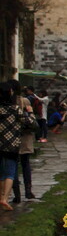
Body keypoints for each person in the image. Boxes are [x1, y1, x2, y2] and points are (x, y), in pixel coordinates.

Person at [0, 81, 21, 211]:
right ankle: (5, 198)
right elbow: (30, 123)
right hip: (11, 145)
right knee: (10, 174)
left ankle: (1, 196)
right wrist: (30, 113)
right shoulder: (14, 109)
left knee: (1, 173)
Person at [12, 84, 35, 202]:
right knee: (25, 164)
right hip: (25, 137)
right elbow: (32, 121)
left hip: (11, 138)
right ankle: (28, 191)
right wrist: (31, 113)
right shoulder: (25, 101)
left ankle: (16, 194)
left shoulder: (8, 103)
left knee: (13, 166)